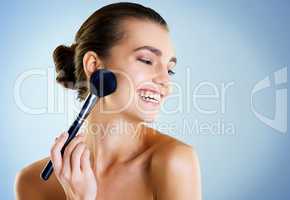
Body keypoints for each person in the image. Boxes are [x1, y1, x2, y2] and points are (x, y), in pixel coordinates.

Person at [14, 2, 202, 200]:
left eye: (169, 69)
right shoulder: (33, 182)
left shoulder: (173, 162)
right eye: (147, 60)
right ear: (94, 65)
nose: (166, 82)